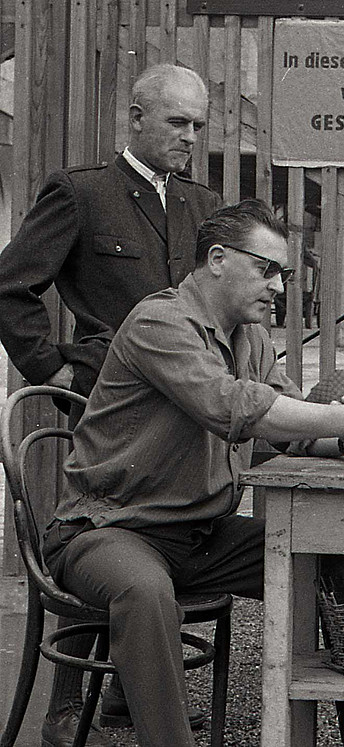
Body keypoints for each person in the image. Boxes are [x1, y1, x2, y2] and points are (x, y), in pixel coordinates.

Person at [39, 199, 344, 747]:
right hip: (108, 530)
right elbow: (231, 406)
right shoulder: (160, 322)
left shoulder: (249, 337)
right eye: (267, 269)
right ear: (219, 259)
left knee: (338, 551)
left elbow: (287, 423)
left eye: (285, 274)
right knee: (144, 590)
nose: (279, 287)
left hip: (201, 538)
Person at [0, 63, 221, 746]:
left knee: (159, 534)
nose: (189, 137)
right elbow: (11, 287)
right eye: (177, 122)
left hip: (185, 408)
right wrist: (57, 366)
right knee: (100, 534)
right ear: (136, 115)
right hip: (102, 403)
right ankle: (68, 705)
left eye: (198, 126)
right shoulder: (83, 193)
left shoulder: (200, 205)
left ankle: (129, 697)